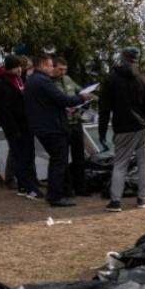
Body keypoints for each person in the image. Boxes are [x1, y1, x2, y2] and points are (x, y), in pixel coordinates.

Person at [24, 54, 90, 207]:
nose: (52, 68)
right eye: (50, 65)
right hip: (53, 128)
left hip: (42, 127)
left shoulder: (32, 81)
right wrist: (82, 98)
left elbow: (50, 103)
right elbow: (63, 100)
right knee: (58, 161)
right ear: (41, 65)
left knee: (57, 160)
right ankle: (55, 196)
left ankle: (61, 191)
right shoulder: (43, 81)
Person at [98, 46, 145, 212]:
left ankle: (116, 202)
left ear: (122, 58)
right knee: (144, 165)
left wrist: (102, 132)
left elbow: (104, 109)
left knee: (120, 165)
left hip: (123, 129)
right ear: (135, 60)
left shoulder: (110, 80)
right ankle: (142, 199)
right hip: (143, 128)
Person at [0, 55, 43, 200]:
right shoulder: (2, 83)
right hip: (15, 127)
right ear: (9, 68)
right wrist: (13, 129)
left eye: (20, 67)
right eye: (17, 67)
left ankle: (25, 185)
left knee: (28, 155)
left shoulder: (20, 80)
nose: (19, 70)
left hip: (26, 124)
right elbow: (5, 110)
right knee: (21, 157)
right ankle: (29, 188)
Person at [53, 57, 92, 196]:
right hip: (62, 125)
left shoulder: (68, 79)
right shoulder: (49, 83)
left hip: (76, 123)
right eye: (60, 69)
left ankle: (81, 188)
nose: (62, 72)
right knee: (62, 158)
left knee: (79, 157)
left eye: (65, 69)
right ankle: (66, 189)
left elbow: (81, 91)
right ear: (53, 67)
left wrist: (87, 97)